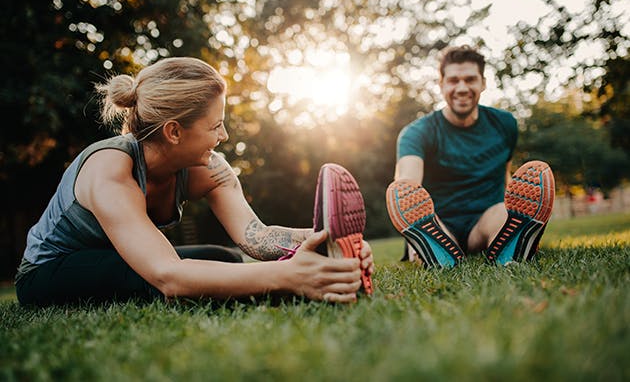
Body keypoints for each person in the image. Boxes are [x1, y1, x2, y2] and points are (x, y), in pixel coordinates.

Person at [15, 57, 373, 306]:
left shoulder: (209, 168)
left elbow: (257, 238)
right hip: (52, 270)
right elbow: (169, 275)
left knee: (226, 261)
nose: (225, 134)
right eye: (215, 125)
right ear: (174, 131)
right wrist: (288, 277)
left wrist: (328, 241)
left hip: (118, 260)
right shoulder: (110, 169)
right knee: (167, 283)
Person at [386, 45, 555, 267]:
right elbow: (407, 185)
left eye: (470, 79)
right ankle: (426, 245)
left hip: (486, 219)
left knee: (503, 215)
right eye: (454, 80)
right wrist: (409, 225)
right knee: (431, 227)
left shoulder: (505, 124)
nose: (462, 87)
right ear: (442, 85)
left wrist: (514, 208)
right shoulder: (417, 132)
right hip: (439, 221)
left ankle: (513, 243)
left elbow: (504, 173)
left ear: (483, 83)